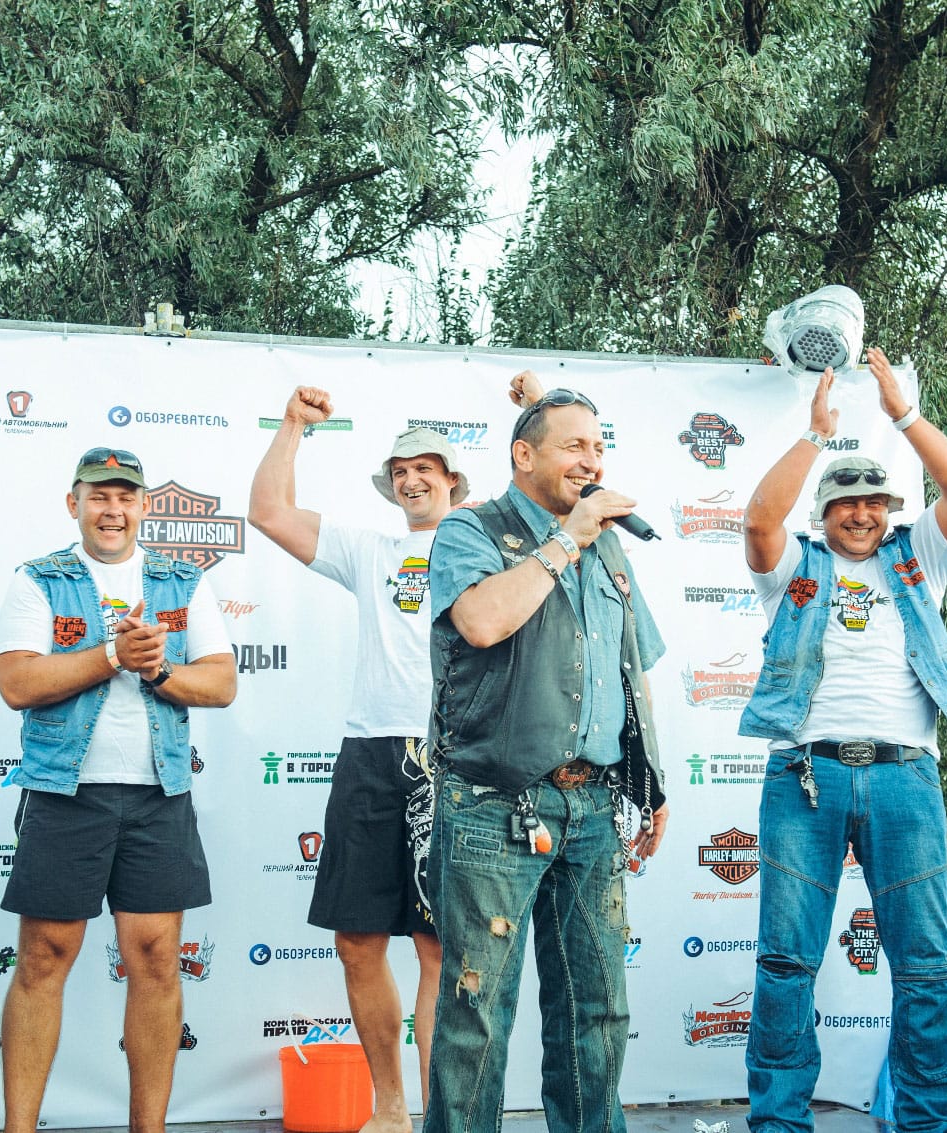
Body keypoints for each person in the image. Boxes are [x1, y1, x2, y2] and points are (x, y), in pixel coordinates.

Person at [740, 345, 947, 1132]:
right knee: (786, 962)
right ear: (824, 512)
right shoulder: (794, 566)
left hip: (903, 776)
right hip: (804, 776)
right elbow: (759, 520)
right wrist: (816, 434)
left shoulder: (921, 560)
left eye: (875, 502)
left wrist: (902, 415)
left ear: (889, 509)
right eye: (846, 503)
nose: (861, 514)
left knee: (924, 966)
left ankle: (929, 1123)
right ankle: (780, 1122)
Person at [424, 377, 668, 1133]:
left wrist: (651, 782)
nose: (592, 461)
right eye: (574, 446)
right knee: (477, 1012)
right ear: (523, 455)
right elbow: (482, 621)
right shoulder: (471, 528)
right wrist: (569, 539)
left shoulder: (608, 544)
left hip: (593, 807)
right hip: (492, 805)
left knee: (598, 1008)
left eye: (598, 447)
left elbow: (631, 669)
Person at [0, 447, 236, 1133]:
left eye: (125, 496)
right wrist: (110, 656)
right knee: (44, 957)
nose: (112, 509)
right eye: (99, 495)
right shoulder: (38, 578)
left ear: (144, 506)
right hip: (65, 794)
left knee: (156, 958)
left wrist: (157, 670)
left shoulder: (182, 580)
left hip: (159, 795)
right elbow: (16, 682)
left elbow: (221, 682)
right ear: (73, 503)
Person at [248, 388, 462, 1130]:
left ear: (453, 481)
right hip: (371, 752)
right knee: (357, 943)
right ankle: (391, 1110)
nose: (411, 479)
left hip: (453, 757)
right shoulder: (371, 551)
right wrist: (293, 425)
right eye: (400, 470)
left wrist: (539, 406)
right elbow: (269, 511)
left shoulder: (488, 549)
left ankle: (441, 1119)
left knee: (440, 949)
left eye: (425, 467)